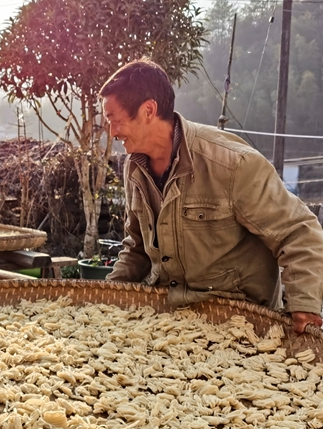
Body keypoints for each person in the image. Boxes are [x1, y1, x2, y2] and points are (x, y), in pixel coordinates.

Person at [99, 58, 323, 334]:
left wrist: (303, 301)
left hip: (238, 321)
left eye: (115, 120)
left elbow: (300, 231)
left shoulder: (232, 165)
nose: (112, 132)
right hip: (168, 320)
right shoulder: (135, 167)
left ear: (148, 110)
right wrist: (103, 300)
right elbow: (137, 247)